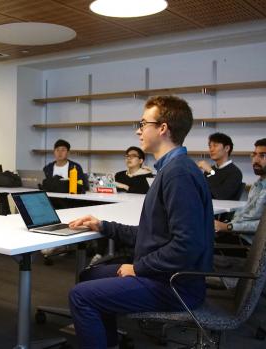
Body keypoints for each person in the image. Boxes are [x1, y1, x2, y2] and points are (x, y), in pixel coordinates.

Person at [68, 96, 214, 348]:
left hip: (175, 285)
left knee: (80, 296)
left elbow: (187, 246)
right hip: (166, 276)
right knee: (88, 276)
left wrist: (138, 268)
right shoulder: (172, 169)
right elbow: (153, 235)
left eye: (143, 123)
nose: (138, 130)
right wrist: (102, 225)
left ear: (163, 128)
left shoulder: (178, 174)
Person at [214, 138, 266, 244]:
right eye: (254, 155)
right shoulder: (258, 184)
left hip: (249, 245)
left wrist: (229, 226)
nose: (255, 160)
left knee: (196, 246)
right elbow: (247, 214)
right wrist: (225, 225)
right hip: (237, 234)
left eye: (262, 156)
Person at [196, 132, 243, 200]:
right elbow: (201, 193)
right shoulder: (209, 170)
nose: (211, 149)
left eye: (215, 145)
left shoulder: (235, 172)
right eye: (210, 146)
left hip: (222, 210)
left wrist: (210, 171)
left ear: (227, 148)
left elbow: (221, 195)